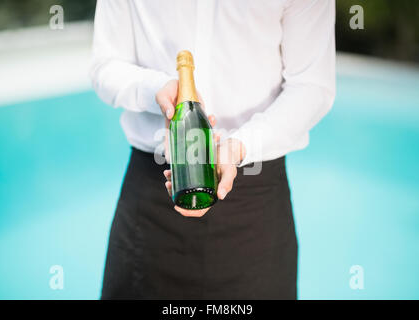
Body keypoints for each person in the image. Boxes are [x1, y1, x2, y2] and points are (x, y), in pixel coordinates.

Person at [90, 0, 336, 299]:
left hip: (255, 203)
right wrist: (155, 88)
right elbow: (106, 66)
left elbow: (312, 86)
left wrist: (238, 145)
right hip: (153, 198)